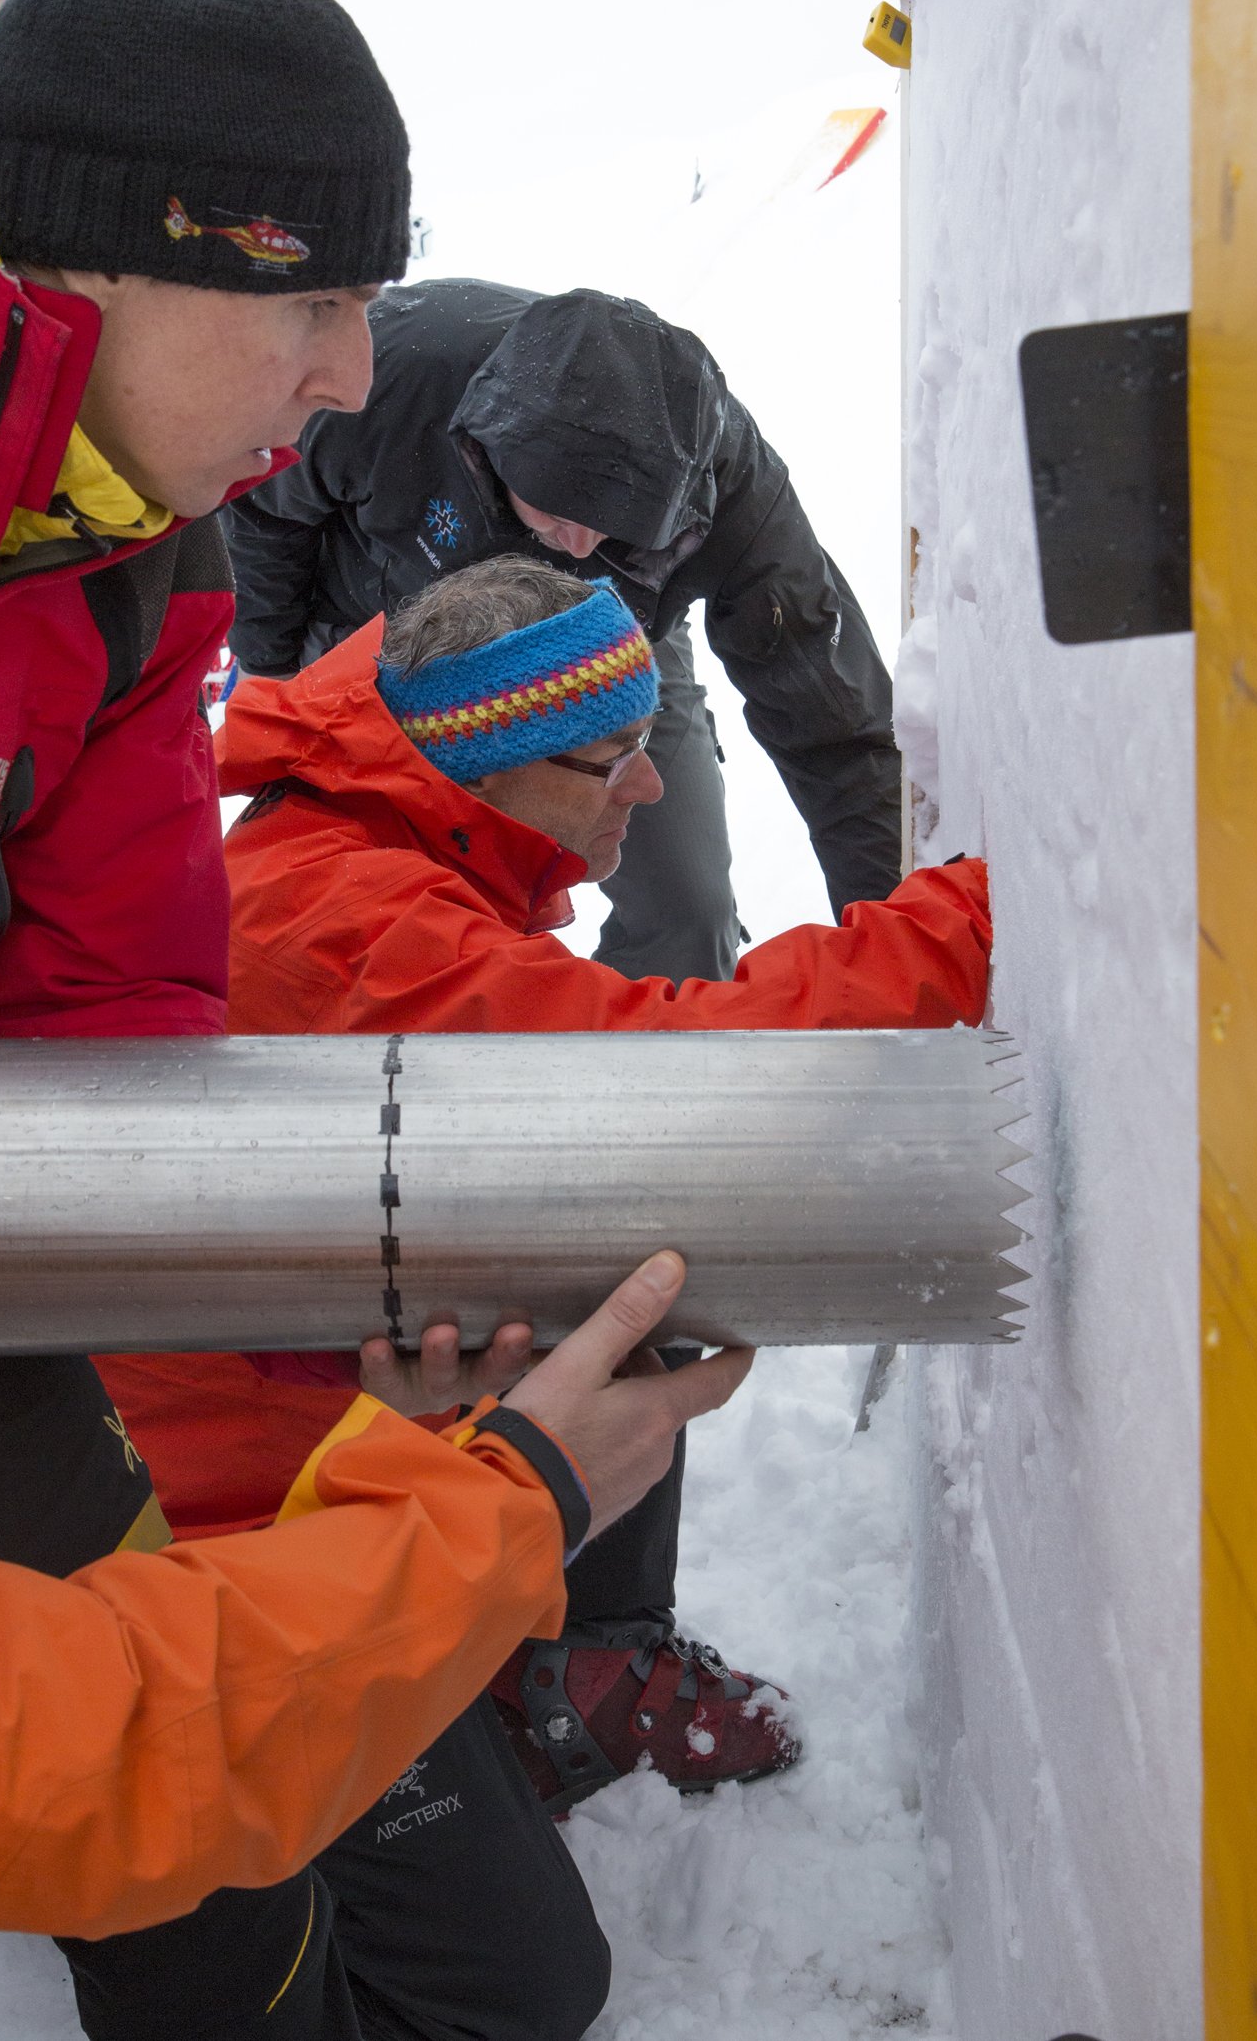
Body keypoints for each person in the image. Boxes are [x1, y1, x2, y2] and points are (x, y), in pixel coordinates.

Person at [0, 0, 521, 2038]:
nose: (354, 378)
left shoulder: (142, 568)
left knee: (174, 1792)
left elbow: (107, 1058)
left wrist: (352, 1312)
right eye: (305, 296)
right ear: (92, 254)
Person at [99, 559, 989, 1825]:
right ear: (488, 760)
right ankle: (553, 1672)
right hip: (232, 1485)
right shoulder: (360, 930)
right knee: (634, 1241)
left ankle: (550, 1647)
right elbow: (679, 1082)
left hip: (298, 1364)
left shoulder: (373, 807)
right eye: (612, 756)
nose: (654, 781)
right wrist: (970, 924)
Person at [0, 1253, 749, 1951]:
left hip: (207, 1564)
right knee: (503, 1985)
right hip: (165, 1648)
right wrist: (524, 1496)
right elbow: (38, 1771)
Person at [220, 277, 904, 987]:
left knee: (685, 906)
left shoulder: (734, 492)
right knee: (397, 931)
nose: (578, 546)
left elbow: (836, 734)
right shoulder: (387, 376)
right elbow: (261, 511)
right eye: (553, 510)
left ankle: (630, 1078)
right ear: (483, 451)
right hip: (395, 643)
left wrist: (903, 959)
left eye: (615, 526)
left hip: (611, 649)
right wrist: (272, 669)